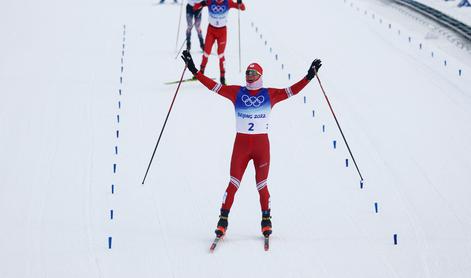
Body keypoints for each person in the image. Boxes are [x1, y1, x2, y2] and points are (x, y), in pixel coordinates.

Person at [181, 50, 322, 238]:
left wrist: (309, 77)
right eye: (247, 73)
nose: (249, 76)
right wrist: (194, 71)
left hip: (261, 147)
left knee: (262, 185)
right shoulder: (236, 92)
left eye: (253, 73)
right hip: (241, 147)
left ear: (260, 76)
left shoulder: (269, 94)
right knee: (233, 183)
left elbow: (291, 91)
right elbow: (213, 86)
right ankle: (223, 220)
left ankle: (266, 220)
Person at [193, 0, 246, 85]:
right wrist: (201, 3)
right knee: (206, 52)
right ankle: (201, 72)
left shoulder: (228, 2)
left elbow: (242, 8)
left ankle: (222, 77)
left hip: (222, 31)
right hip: (211, 30)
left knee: (220, 54)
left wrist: (239, 2)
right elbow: (195, 7)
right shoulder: (210, 1)